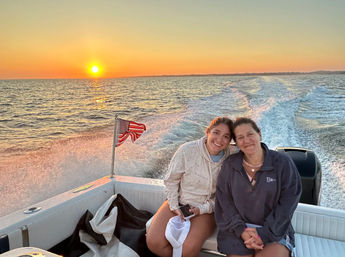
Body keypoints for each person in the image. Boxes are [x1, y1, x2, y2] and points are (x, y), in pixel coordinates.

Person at [146, 117, 234, 257]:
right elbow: (171, 181)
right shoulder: (187, 150)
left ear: (230, 142)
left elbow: (225, 196)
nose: (219, 139)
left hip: (207, 209)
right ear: (208, 132)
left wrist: (202, 209)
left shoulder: (232, 158)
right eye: (216, 133)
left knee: (187, 249)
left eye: (226, 137)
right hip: (180, 201)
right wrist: (174, 206)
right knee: (153, 242)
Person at [215, 117, 302, 257]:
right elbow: (224, 201)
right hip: (237, 229)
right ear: (236, 143)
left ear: (259, 134)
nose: (247, 140)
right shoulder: (230, 165)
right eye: (240, 137)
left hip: (274, 228)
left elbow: (288, 203)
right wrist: (241, 231)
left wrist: (263, 233)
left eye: (250, 134)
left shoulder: (282, 163)